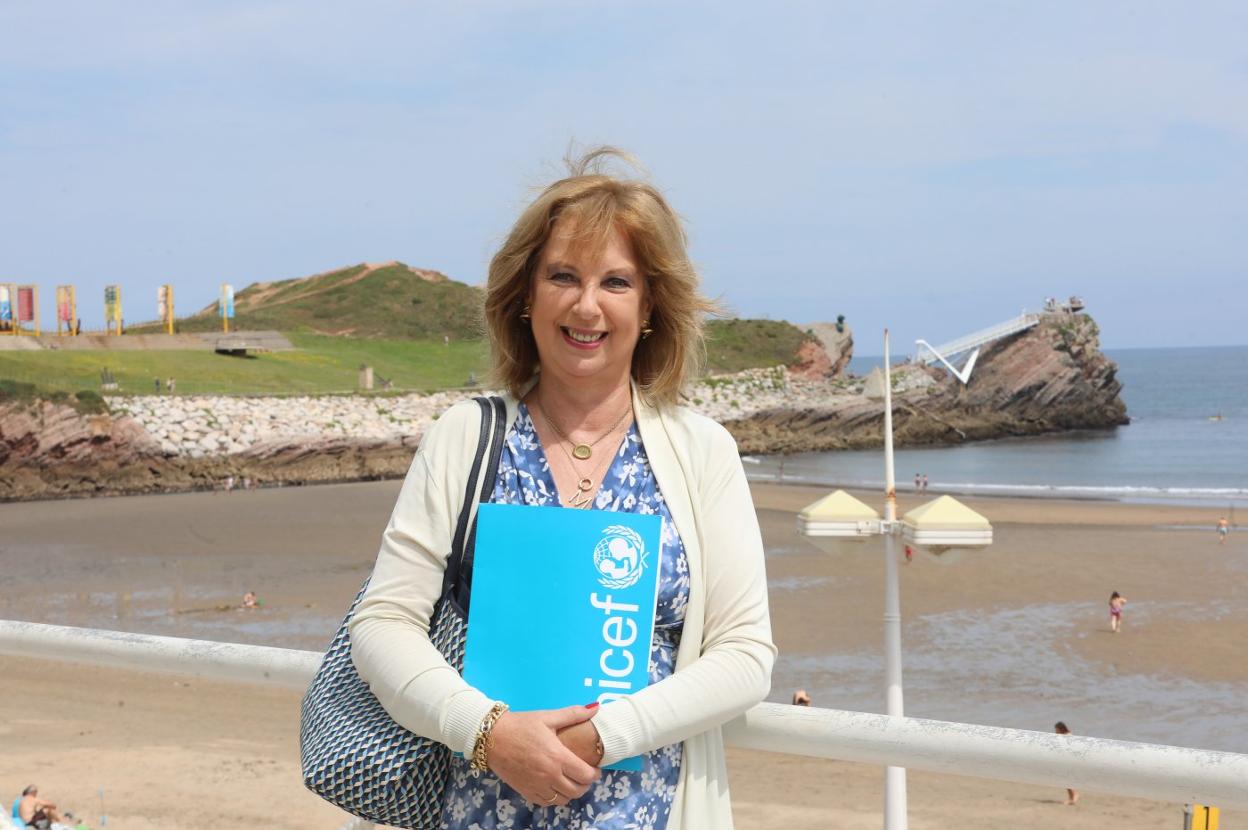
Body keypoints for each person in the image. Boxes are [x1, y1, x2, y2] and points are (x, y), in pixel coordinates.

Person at [349, 148, 775, 830]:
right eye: (562, 276)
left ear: (651, 305)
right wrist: (487, 732)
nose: (586, 305)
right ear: (524, 296)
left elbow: (746, 656)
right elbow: (382, 625)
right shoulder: (464, 437)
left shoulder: (703, 453)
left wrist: (604, 735)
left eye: (616, 282)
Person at [1053, 722, 1079, 805]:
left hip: (1068, 761)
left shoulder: (1067, 736)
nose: (1055, 731)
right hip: (1067, 760)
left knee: (1067, 780)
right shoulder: (1065, 735)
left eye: (1056, 729)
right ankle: (1072, 797)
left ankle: (1073, 797)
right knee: (1067, 780)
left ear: (1061, 728)